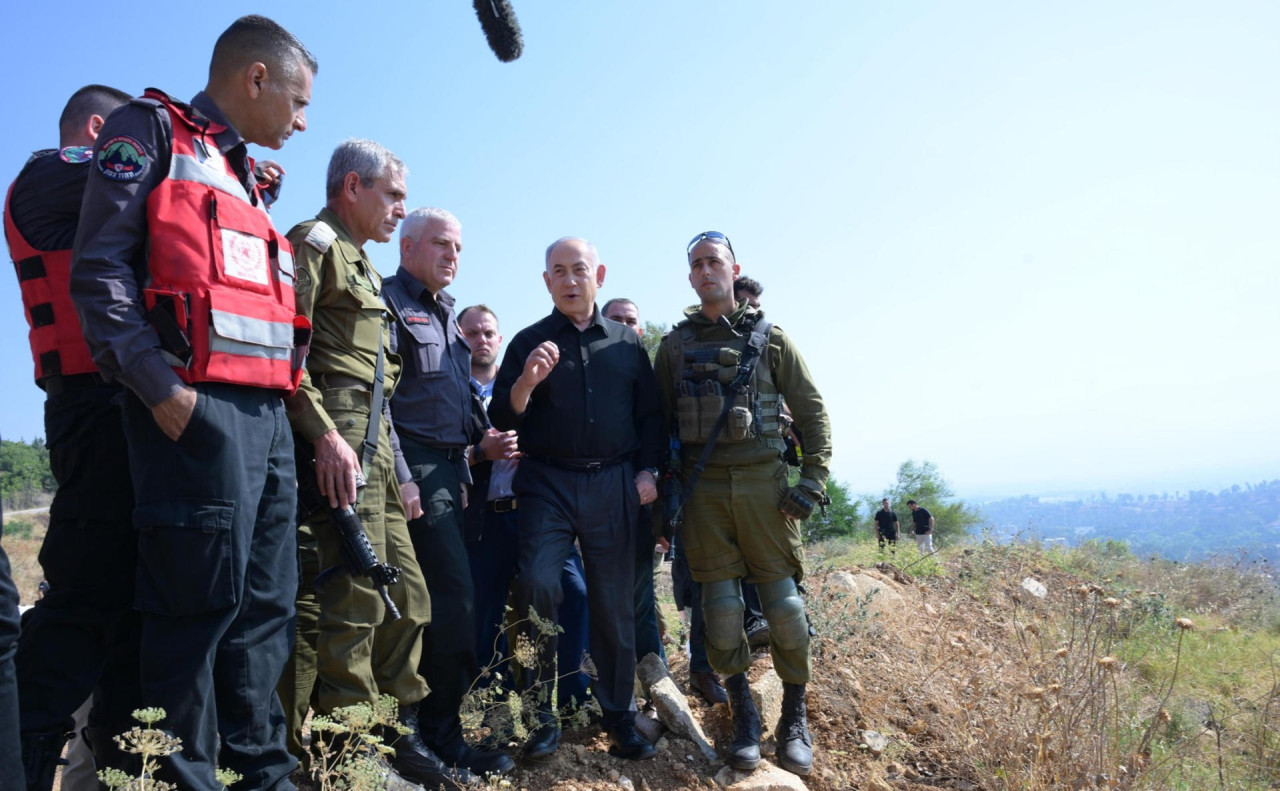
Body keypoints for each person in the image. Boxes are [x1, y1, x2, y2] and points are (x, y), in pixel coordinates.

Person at [70, 16, 316, 789]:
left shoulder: (242, 173)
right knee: (194, 616)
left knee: (266, 612)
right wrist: (163, 393)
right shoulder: (150, 130)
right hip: (196, 414)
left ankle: (264, 774)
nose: (302, 121)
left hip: (268, 423)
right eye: (298, 101)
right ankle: (186, 779)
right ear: (256, 78)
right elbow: (100, 273)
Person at [284, 141, 469, 788]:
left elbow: (379, 384)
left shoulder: (359, 262)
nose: (400, 208)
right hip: (334, 450)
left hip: (377, 457)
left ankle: (392, 732)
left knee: (409, 599)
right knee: (353, 602)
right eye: (393, 195)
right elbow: (285, 351)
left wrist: (398, 470)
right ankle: (345, 752)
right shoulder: (315, 244)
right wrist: (322, 434)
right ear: (353, 186)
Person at [4, 84, 143, 789]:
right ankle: (20, 763)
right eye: (136, 132)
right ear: (100, 127)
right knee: (84, 595)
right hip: (93, 406)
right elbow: (144, 175)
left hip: (132, 405)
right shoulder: (53, 172)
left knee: (129, 604)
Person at [654, 231, 832, 777]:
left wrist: (814, 479)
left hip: (765, 487)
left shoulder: (771, 338)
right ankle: (745, 717)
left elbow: (812, 410)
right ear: (690, 277)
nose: (706, 271)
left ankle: (794, 718)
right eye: (697, 264)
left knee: (784, 607)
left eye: (715, 262)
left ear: (734, 269)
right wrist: (665, 496)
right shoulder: (676, 346)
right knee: (723, 612)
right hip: (704, 492)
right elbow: (659, 426)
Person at [490, 237, 663, 762]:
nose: (569, 280)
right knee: (538, 586)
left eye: (578, 270)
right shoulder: (528, 341)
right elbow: (502, 416)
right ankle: (540, 715)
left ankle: (618, 716)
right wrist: (525, 382)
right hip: (547, 483)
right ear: (546, 281)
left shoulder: (627, 344)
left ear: (599, 275)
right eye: (558, 272)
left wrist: (650, 471)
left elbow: (651, 417)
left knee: (614, 603)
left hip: (613, 483)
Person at [382, 209, 516, 778]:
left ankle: (429, 734)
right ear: (407, 245)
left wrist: (477, 453)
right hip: (411, 472)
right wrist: (404, 474)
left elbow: (458, 412)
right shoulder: (387, 300)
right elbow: (375, 398)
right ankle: (425, 739)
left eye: (458, 247)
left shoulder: (444, 316)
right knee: (447, 605)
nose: (452, 255)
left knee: (445, 608)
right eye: (440, 244)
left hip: (449, 476)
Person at [457, 305, 594, 728]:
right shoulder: (449, 390)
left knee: (573, 595)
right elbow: (437, 456)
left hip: (540, 514)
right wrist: (481, 454)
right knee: (486, 616)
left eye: (489, 332)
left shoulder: (529, 381)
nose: (482, 339)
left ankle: (571, 697)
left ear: (501, 340)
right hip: (484, 519)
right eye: (473, 333)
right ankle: (496, 709)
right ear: (459, 338)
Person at [600, 297, 666, 668]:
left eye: (631, 320)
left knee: (643, 598)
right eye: (616, 319)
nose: (624, 326)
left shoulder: (653, 375)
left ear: (640, 329)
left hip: (642, 501)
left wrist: (663, 512)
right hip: (590, 501)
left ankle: (658, 682)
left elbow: (661, 439)